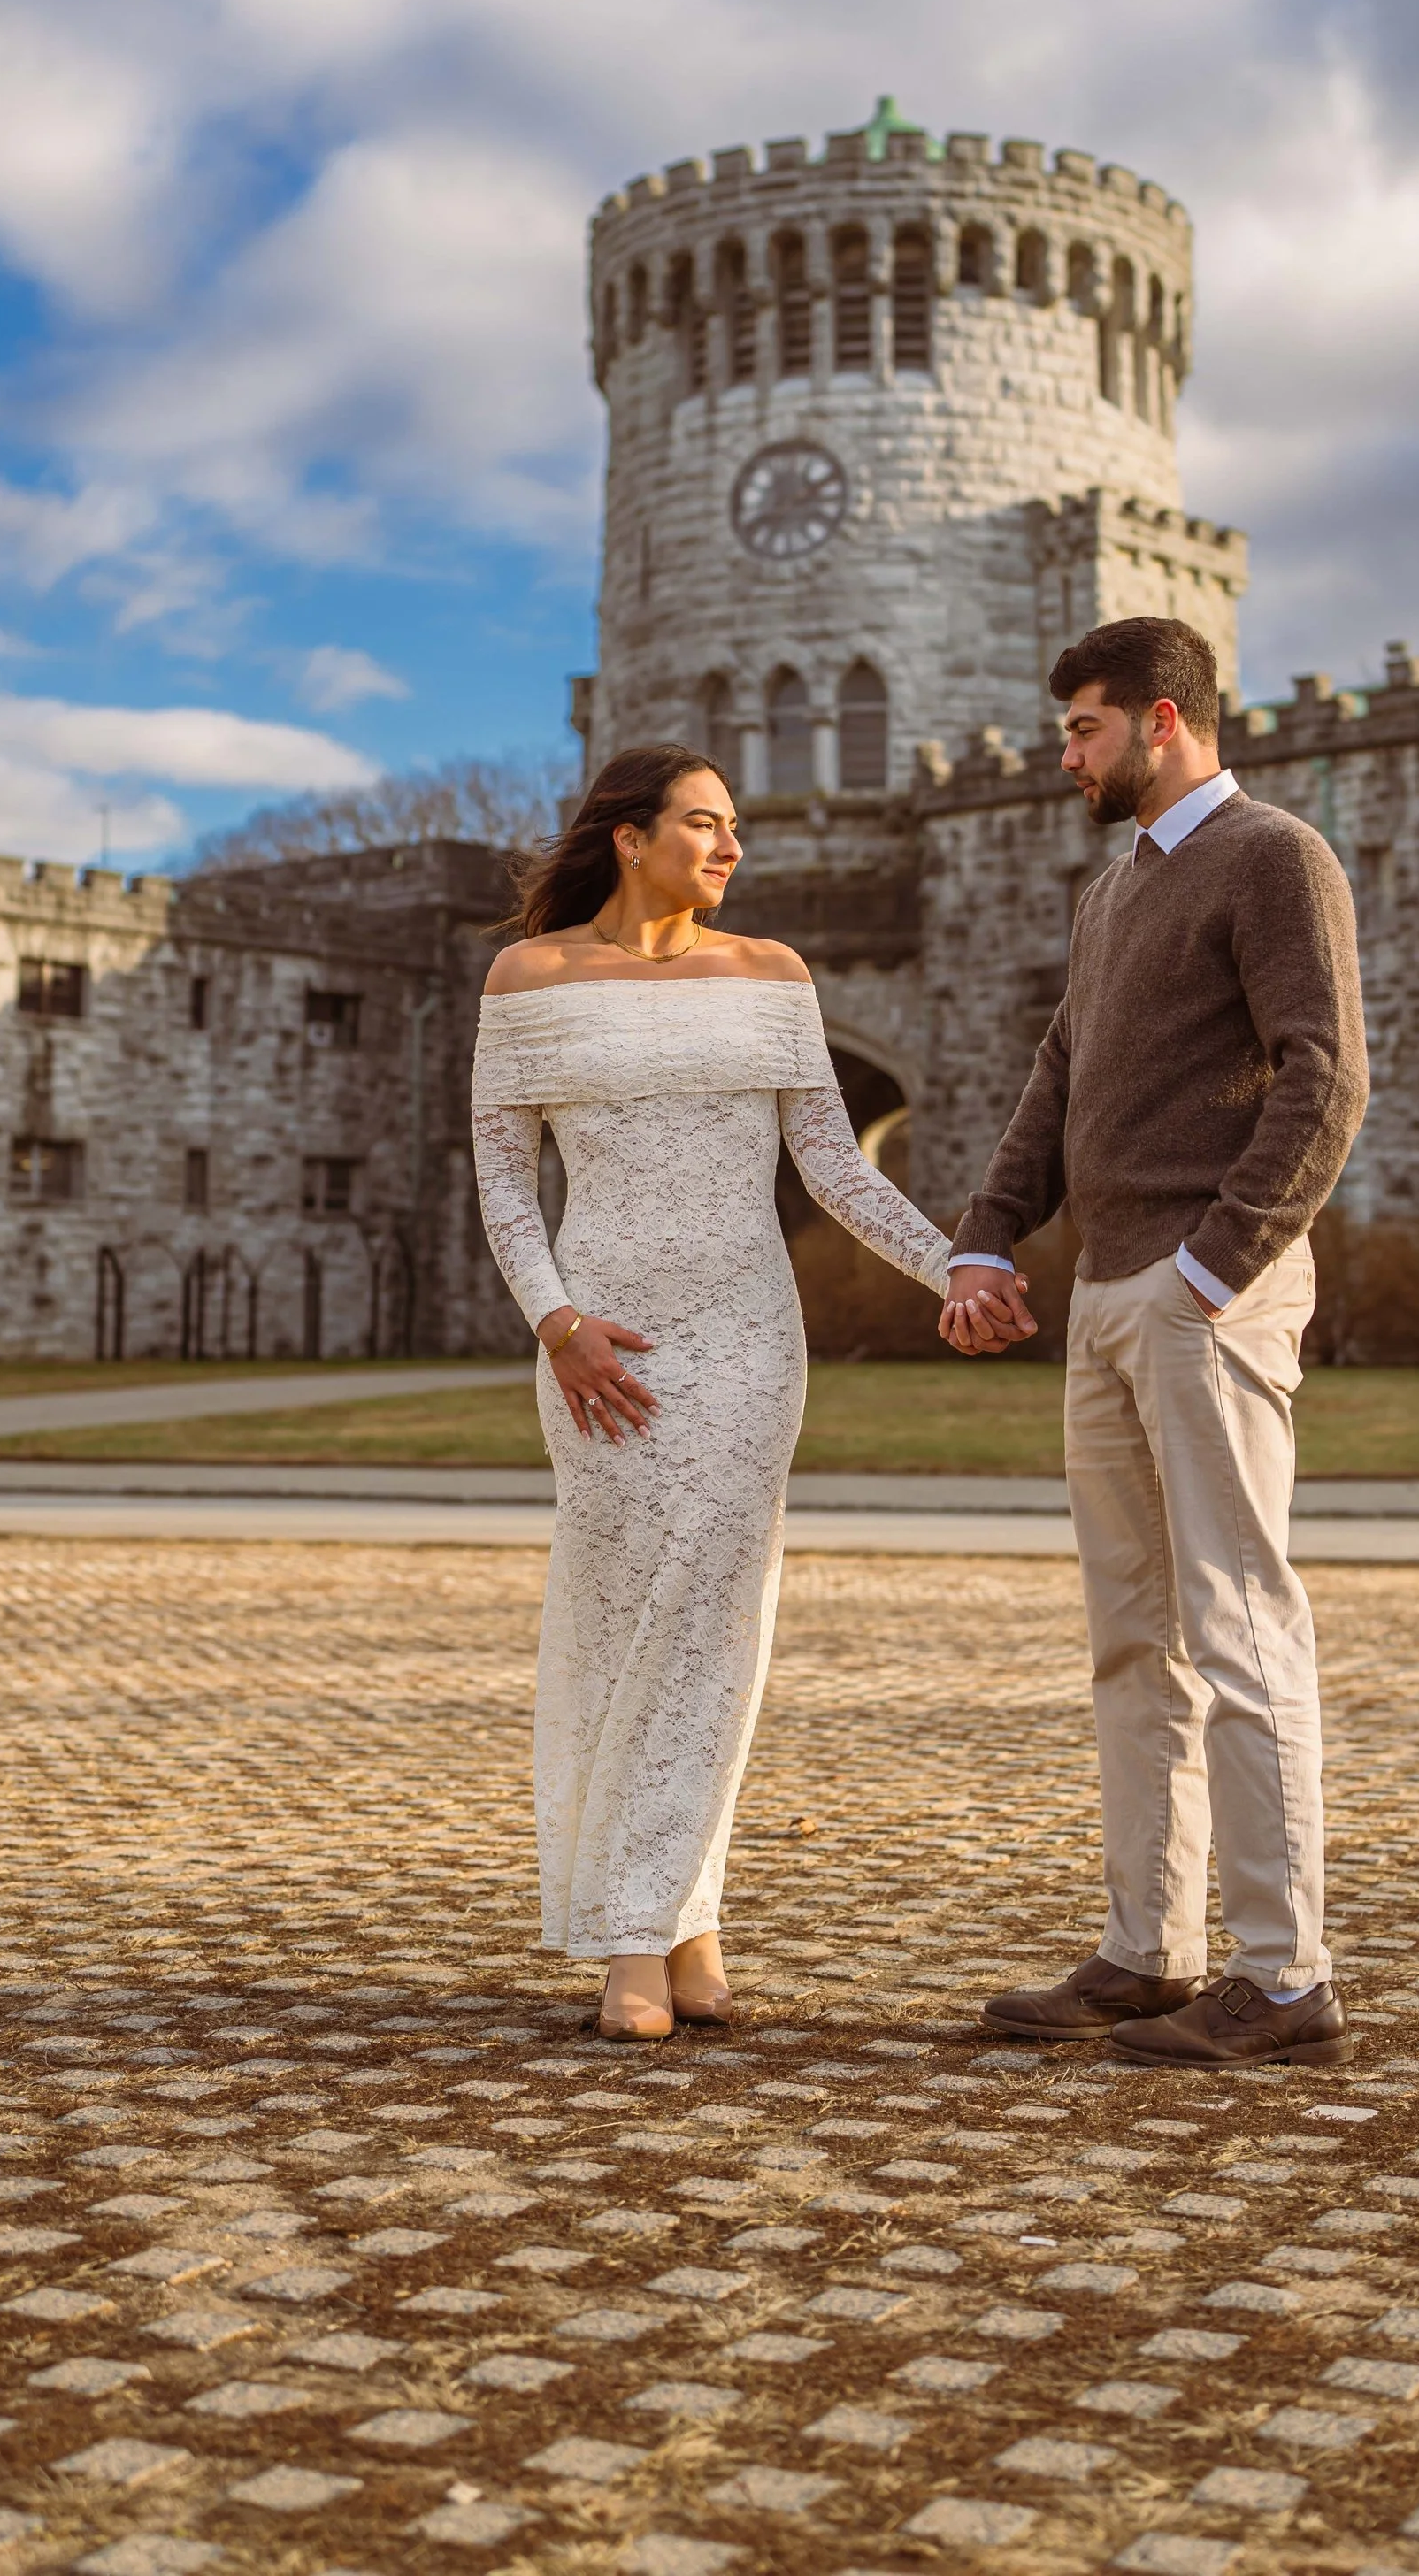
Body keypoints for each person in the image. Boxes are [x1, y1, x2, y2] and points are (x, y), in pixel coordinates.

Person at [470, 744, 955, 2042]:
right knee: (624, 1618)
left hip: (749, 1339)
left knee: (715, 1630)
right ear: (630, 838)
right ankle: (667, 1925)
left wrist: (951, 1265)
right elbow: (509, 1183)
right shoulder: (528, 979)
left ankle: (652, 1918)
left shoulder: (774, 977)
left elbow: (836, 1169)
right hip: (602, 1345)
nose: (732, 846)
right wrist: (559, 1321)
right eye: (704, 823)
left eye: (734, 825)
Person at [940, 617, 1368, 2068]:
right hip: (1109, 1295)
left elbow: (1328, 1074)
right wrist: (990, 1232)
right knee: (1134, 1640)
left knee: (1239, 1621)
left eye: (1084, 729)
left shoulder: (1274, 855)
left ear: (1164, 719)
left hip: (1209, 1293)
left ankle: (1287, 1974)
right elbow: (1061, 1074)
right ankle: (1149, 1949)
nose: (1065, 755)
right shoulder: (1111, 893)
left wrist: (1216, 1260)